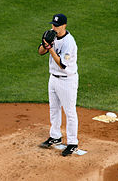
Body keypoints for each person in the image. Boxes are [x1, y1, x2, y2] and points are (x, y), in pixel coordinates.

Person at [38, 13, 79, 157]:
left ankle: (73, 143)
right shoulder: (52, 35)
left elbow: (62, 64)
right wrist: (45, 45)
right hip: (53, 79)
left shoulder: (69, 42)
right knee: (54, 109)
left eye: (56, 25)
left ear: (64, 26)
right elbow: (40, 52)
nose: (53, 27)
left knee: (69, 112)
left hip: (67, 80)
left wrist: (50, 48)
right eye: (53, 25)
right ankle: (55, 135)